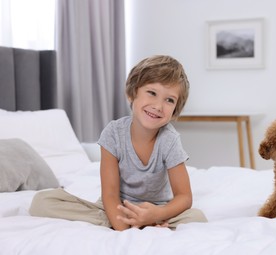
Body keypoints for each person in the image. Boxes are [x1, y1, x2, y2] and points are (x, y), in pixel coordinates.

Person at [29, 55, 207, 230]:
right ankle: (140, 224)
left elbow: (184, 197)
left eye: (169, 100)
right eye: (152, 93)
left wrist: (157, 214)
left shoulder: (169, 140)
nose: (158, 106)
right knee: (42, 202)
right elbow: (110, 193)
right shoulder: (113, 133)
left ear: (175, 109)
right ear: (132, 94)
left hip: (157, 209)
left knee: (196, 217)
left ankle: (148, 222)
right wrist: (123, 227)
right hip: (116, 207)